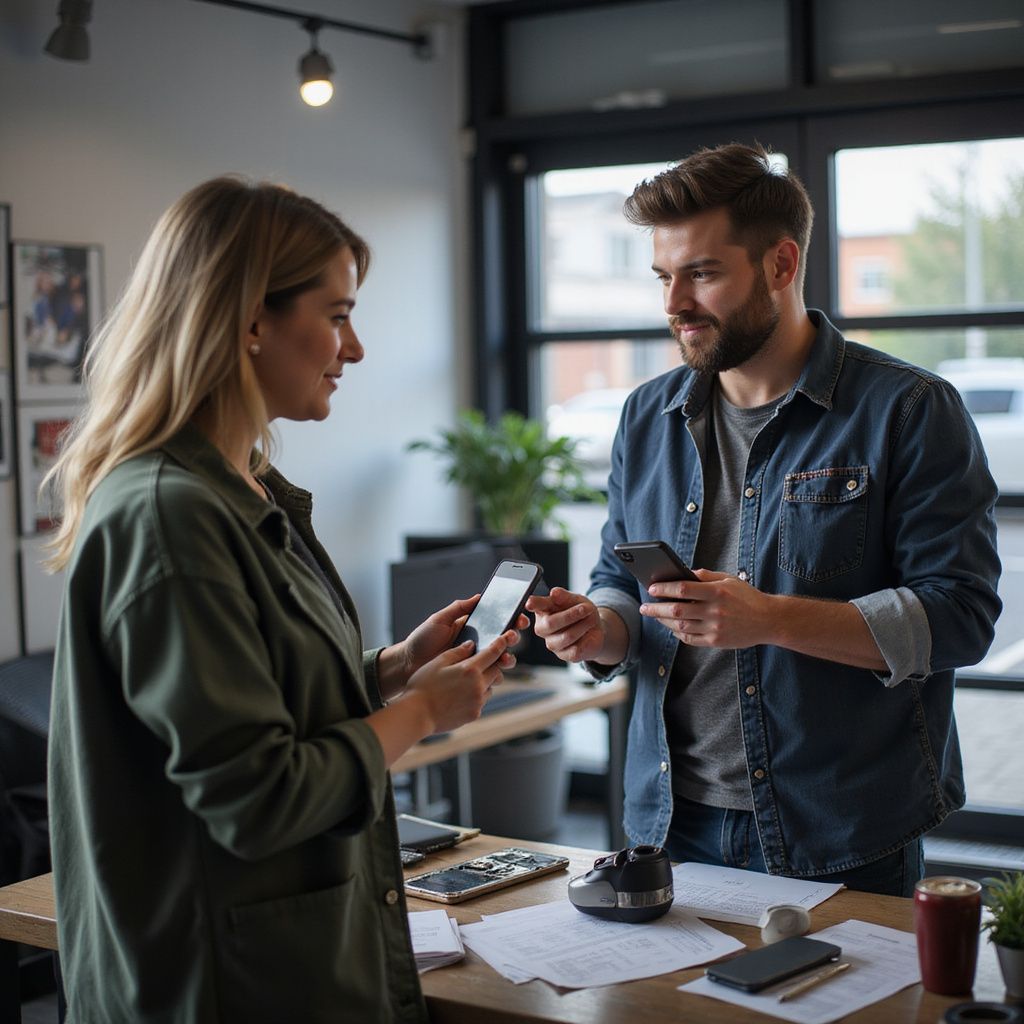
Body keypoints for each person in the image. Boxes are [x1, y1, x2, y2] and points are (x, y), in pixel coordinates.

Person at [44, 176, 522, 1023]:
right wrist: (420, 714)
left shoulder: (248, 486)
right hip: (219, 986)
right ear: (251, 320)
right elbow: (254, 796)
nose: (357, 348)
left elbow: (261, 701)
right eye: (336, 316)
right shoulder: (171, 515)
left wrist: (388, 671)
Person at [527, 142, 1002, 897]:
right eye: (663, 276)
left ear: (780, 266)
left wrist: (771, 618)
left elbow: (962, 617)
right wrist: (599, 624)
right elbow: (620, 581)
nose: (673, 303)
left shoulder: (908, 410)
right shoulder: (645, 415)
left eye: (702, 274)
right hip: (668, 822)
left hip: (844, 830)